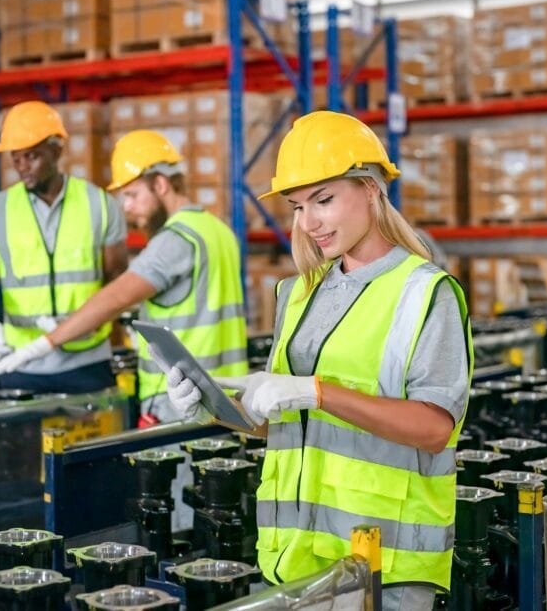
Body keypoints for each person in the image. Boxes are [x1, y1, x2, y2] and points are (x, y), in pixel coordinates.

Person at [161, 111, 473, 609]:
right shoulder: (299, 293)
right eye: (298, 206)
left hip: (381, 565)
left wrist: (317, 391)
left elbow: (436, 428)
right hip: (293, 562)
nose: (310, 223)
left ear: (371, 189)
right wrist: (215, 408)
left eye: (324, 200)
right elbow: (289, 424)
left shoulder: (424, 293)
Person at [0, 129, 248, 422]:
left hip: (182, 400)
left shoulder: (174, 240)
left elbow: (115, 298)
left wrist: (46, 343)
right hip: (227, 396)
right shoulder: (218, 230)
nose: (126, 208)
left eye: (132, 195)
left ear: (161, 185)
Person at [0, 100, 129, 393]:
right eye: (16, 159)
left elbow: (117, 278)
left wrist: (88, 321)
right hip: (21, 362)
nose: (22, 167)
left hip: (87, 360)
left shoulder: (100, 204)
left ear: (57, 150)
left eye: (32, 157)